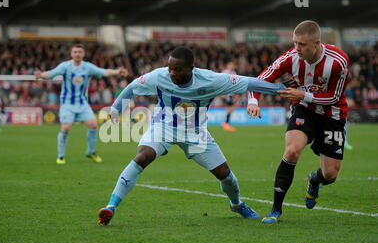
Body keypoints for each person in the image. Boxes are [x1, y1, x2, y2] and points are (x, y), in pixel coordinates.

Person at [97, 46, 289, 226]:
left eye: (177, 69)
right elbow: (132, 87)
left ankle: (236, 204)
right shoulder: (160, 76)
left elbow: (249, 82)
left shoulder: (212, 80)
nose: (172, 73)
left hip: (195, 134)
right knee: (142, 157)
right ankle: (111, 206)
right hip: (163, 127)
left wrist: (279, 88)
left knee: (225, 175)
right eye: (170, 68)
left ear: (191, 68)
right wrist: (116, 107)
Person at [247, 20, 350, 223]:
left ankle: (314, 180)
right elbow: (257, 81)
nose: (297, 48)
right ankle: (276, 210)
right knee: (292, 150)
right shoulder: (290, 58)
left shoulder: (339, 61)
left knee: (330, 174)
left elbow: (335, 97)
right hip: (304, 109)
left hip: (333, 114)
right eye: (295, 43)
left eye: (302, 44)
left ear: (317, 43)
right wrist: (253, 101)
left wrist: (302, 94)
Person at [35, 43, 128, 164]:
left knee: (93, 125)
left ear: (83, 54)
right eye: (75, 52)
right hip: (67, 103)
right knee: (66, 127)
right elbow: (51, 73)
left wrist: (117, 72)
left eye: (80, 52)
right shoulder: (65, 66)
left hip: (82, 103)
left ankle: (90, 152)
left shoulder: (88, 67)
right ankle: (61, 156)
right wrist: (41, 75)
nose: (77, 54)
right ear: (71, 54)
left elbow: (103, 72)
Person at [221, 62, 238, 132]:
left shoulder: (234, 73)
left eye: (233, 65)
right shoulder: (225, 72)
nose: (232, 66)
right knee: (230, 108)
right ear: (228, 65)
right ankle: (226, 123)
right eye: (231, 65)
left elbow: (236, 84)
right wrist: (222, 93)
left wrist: (236, 94)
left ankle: (226, 123)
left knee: (231, 108)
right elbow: (221, 82)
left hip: (231, 94)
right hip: (226, 93)